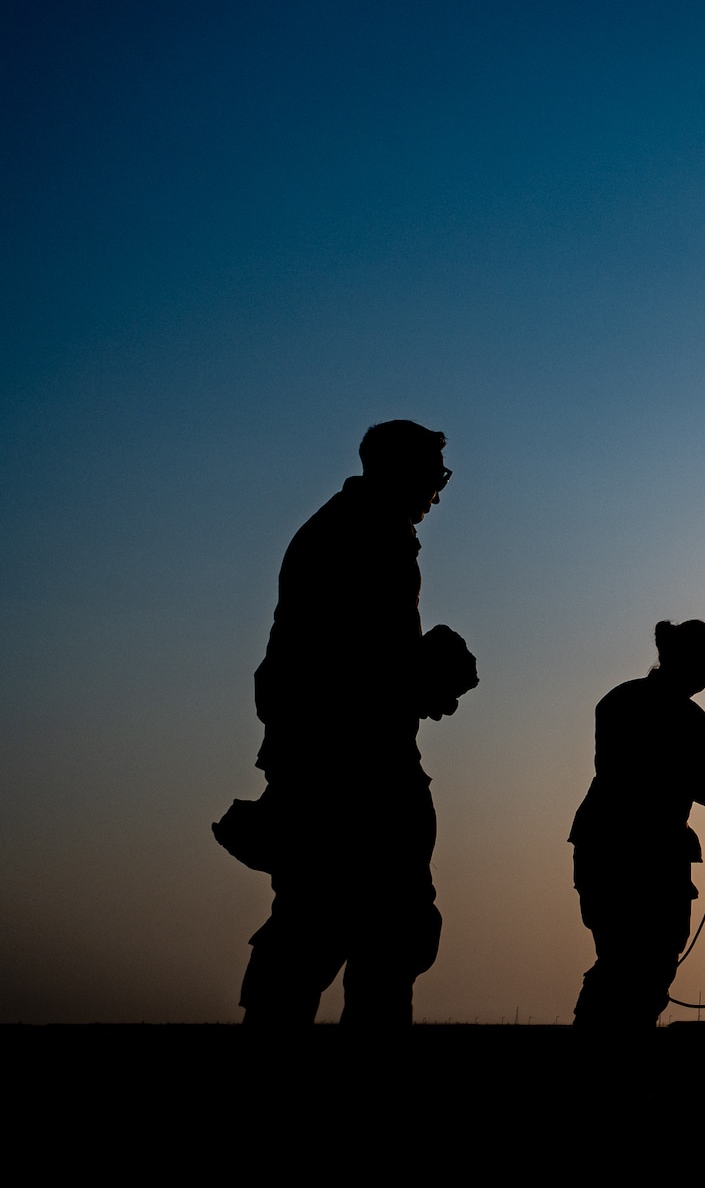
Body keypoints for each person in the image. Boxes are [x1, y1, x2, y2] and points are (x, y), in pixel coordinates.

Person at [233, 419, 479, 1025]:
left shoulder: (361, 531)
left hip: (353, 760)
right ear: (399, 471)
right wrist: (426, 672)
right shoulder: (360, 535)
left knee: (366, 932)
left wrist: (420, 678)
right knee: (336, 930)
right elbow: (343, 666)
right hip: (346, 771)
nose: (437, 492)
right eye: (433, 476)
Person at [569, 619, 705, 1029]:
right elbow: (679, 781)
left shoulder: (620, 701)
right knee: (633, 964)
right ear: (679, 659)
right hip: (629, 852)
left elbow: (688, 782)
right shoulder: (681, 715)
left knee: (632, 962)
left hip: (614, 847)